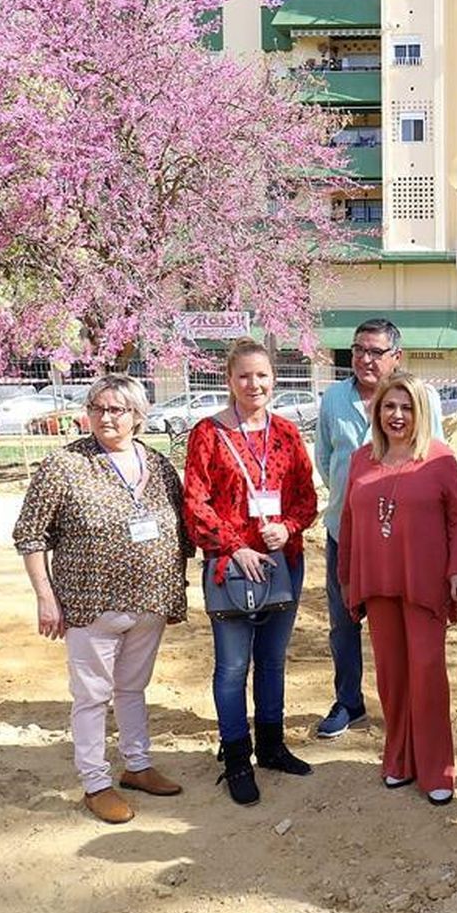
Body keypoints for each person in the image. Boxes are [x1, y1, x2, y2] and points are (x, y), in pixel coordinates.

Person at [13, 373, 191, 824]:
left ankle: (137, 765)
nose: (106, 416)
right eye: (97, 407)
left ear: (137, 416)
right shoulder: (65, 465)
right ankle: (95, 782)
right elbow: (30, 535)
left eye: (117, 409)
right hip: (91, 604)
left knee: (133, 687)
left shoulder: (159, 466)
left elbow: (181, 533)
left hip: (149, 600)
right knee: (91, 696)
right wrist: (45, 597)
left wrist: (172, 592)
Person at [183, 338, 319, 806]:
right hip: (232, 569)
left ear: (273, 378)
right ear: (229, 380)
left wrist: (289, 525)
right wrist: (235, 547)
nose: (253, 383)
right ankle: (237, 757)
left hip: (283, 564)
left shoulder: (285, 433)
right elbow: (195, 504)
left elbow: (306, 496)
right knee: (232, 665)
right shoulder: (208, 434)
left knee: (273, 660)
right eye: (244, 376)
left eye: (261, 375)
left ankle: (272, 745)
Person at [337, 371, 457, 805]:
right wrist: (345, 577)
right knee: (392, 678)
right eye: (389, 407)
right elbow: (349, 523)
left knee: (427, 674)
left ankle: (437, 768)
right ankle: (398, 759)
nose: (397, 415)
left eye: (407, 407)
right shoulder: (361, 459)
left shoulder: (439, 458)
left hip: (425, 582)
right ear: (377, 413)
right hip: (377, 582)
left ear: (421, 412)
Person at [314, 318, 445, 739]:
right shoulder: (334, 398)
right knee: (343, 622)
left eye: (375, 352)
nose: (365, 359)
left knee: (406, 628)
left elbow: (436, 461)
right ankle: (349, 701)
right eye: (358, 350)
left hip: (405, 543)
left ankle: (408, 707)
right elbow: (325, 460)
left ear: (396, 358)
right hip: (346, 535)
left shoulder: (423, 399)